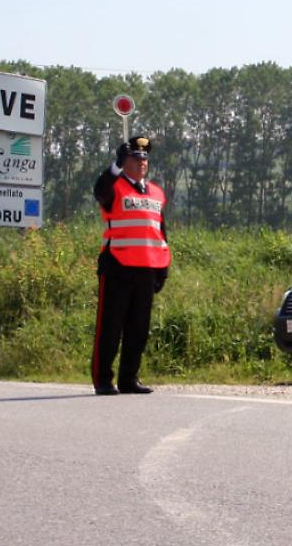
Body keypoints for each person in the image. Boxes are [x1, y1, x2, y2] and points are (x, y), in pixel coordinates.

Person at [91, 135, 171, 395]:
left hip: (147, 268)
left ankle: (129, 378)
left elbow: (160, 232)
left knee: (139, 328)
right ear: (125, 162)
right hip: (117, 265)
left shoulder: (157, 193)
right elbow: (99, 190)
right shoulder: (114, 187)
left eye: (144, 159)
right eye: (135, 159)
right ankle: (103, 379)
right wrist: (115, 166)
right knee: (110, 327)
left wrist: (163, 267)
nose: (141, 163)